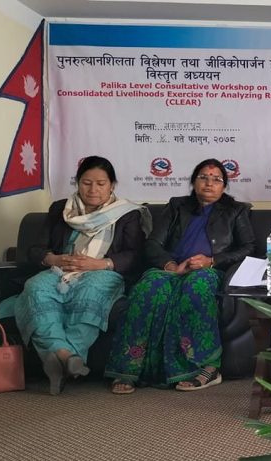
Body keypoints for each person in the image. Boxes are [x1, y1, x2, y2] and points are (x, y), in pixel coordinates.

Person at [0, 156, 148, 395]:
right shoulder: (61, 209)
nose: (93, 189)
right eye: (86, 183)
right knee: (35, 288)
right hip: (60, 270)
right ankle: (66, 356)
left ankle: (58, 362)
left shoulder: (127, 213)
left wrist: (100, 263)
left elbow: (134, 255)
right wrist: (54, 259)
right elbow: (36, 249)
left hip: (101, 271)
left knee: (91, 291)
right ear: (77, 183)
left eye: (101, 183)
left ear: (112, 185)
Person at [105, 159, 255, 394]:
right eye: (203, 177)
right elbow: (153, 243)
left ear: (224, 186)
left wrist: (212, 260)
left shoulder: (236, 211)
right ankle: (129, 369)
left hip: (207, 271)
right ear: (194, 182)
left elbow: (248, 247)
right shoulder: (177, 206)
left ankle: (207, 368)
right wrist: (171, 265)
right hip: (171, 269)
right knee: (148, 288)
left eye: (216, 179)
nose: (209, 183)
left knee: (195, 287)